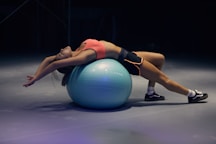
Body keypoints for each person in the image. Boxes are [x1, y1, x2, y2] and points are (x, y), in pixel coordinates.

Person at [23, 38, 208, 103]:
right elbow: (54, 64)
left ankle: (150, 93)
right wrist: (37, 78)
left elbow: (48, 59)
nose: (60, 50)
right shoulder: (80, 57)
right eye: (60, 53)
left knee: (160, 58)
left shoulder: (78, 50)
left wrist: (37, 72)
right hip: (128, 60)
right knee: (163, 78)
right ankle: (191, 94)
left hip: (126, 53)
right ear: (68, 60)